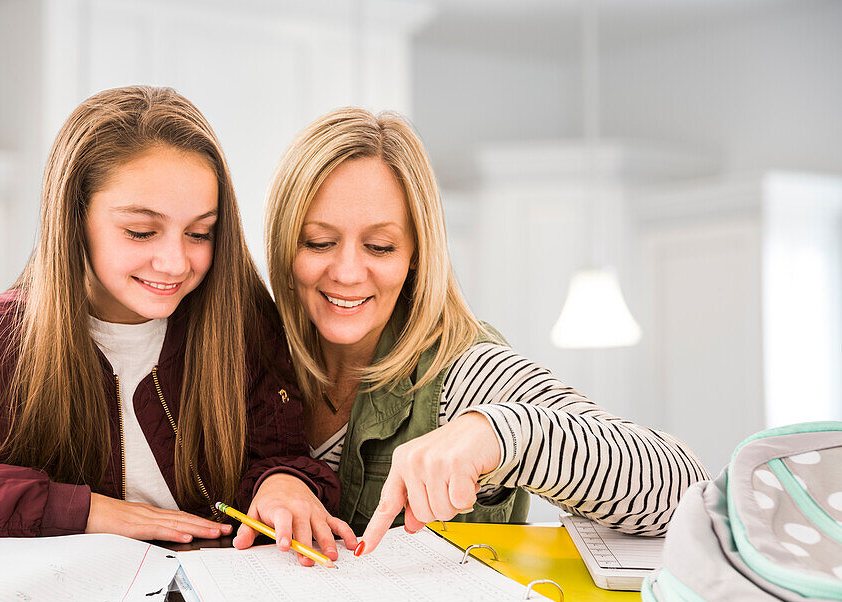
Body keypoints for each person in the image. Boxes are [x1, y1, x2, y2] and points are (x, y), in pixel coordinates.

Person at [0, 86, 355, 577]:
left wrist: (282, 484)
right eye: (141, 231)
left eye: (200, 233)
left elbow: (276, 455)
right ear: (74, 220)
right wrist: (76, 511)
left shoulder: (241, 328)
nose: (174, 262)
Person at [255, 106, 709, 557]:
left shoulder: (465, 371)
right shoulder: (249, 358)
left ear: (416, 253)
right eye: (318, 242)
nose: (349, 272)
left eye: (380, 246)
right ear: (283, 242)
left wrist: (499, 433)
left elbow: (685, 489)